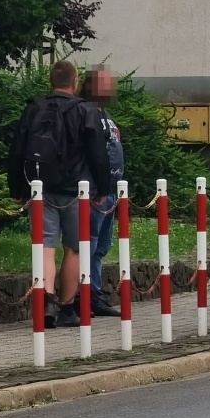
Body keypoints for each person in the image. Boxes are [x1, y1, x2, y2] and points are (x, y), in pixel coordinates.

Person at [8, 60, 112, 328]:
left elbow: (17, 150)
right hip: (76, 191)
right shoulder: (85, 111)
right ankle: (67, 309)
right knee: (74, 249)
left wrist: (17, 188)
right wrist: (102, 188)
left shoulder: (34, 108)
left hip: (40, 188)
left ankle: (47, 305)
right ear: (75, 82)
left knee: (45, 248)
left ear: (51, 81)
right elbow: (98, 154)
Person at [82, 67, 124, 319]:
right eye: (104, 84)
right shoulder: (86, 114)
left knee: (101, 246)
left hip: (108, 193)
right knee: (90, 243)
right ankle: (89, 294)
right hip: (96, 193)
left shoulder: (103, 114)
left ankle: (94, 293)